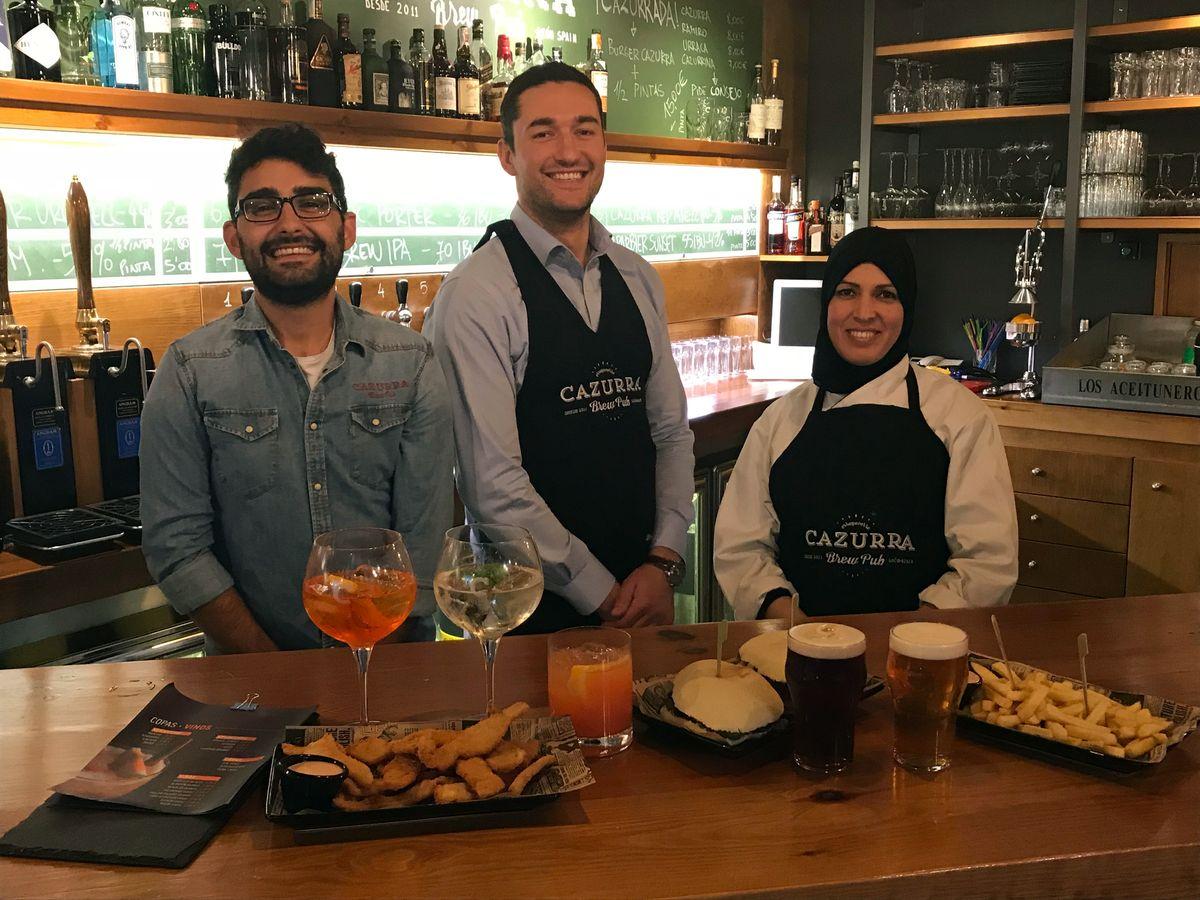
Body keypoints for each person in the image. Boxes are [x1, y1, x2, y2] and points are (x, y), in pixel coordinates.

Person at [141, 124, 453, 653]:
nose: (289, 223)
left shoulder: (411, 361)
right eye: (262, 207)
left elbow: (424, 544)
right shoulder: (190, 370)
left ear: (346, 228)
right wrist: (278, 676)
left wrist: (376, 675)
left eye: (312, 202)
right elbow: (177, 548)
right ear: (234, 237)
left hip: (398, 671)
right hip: (254, 685)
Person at [427, 62, 695, 633]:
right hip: (530, 612)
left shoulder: (638, 277)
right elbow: (492, 488)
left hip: (644, 593)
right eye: (543, 132)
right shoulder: (476, 293)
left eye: (584, 129)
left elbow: (670, 433)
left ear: (604, 143)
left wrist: (662, 562)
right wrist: (603, 594)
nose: (568, 150)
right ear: (507, 155)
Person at [714, 227, 1017, 620]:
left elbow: (987, 561)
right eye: (847, 291)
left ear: (907, 307)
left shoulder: (959, 418)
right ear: (827, 304)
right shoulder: (781, 420)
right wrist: (790, 620)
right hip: (798, 653)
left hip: (919, 659)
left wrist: (912, 639)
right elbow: (741, 546)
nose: (864, 312)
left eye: (885, 294)